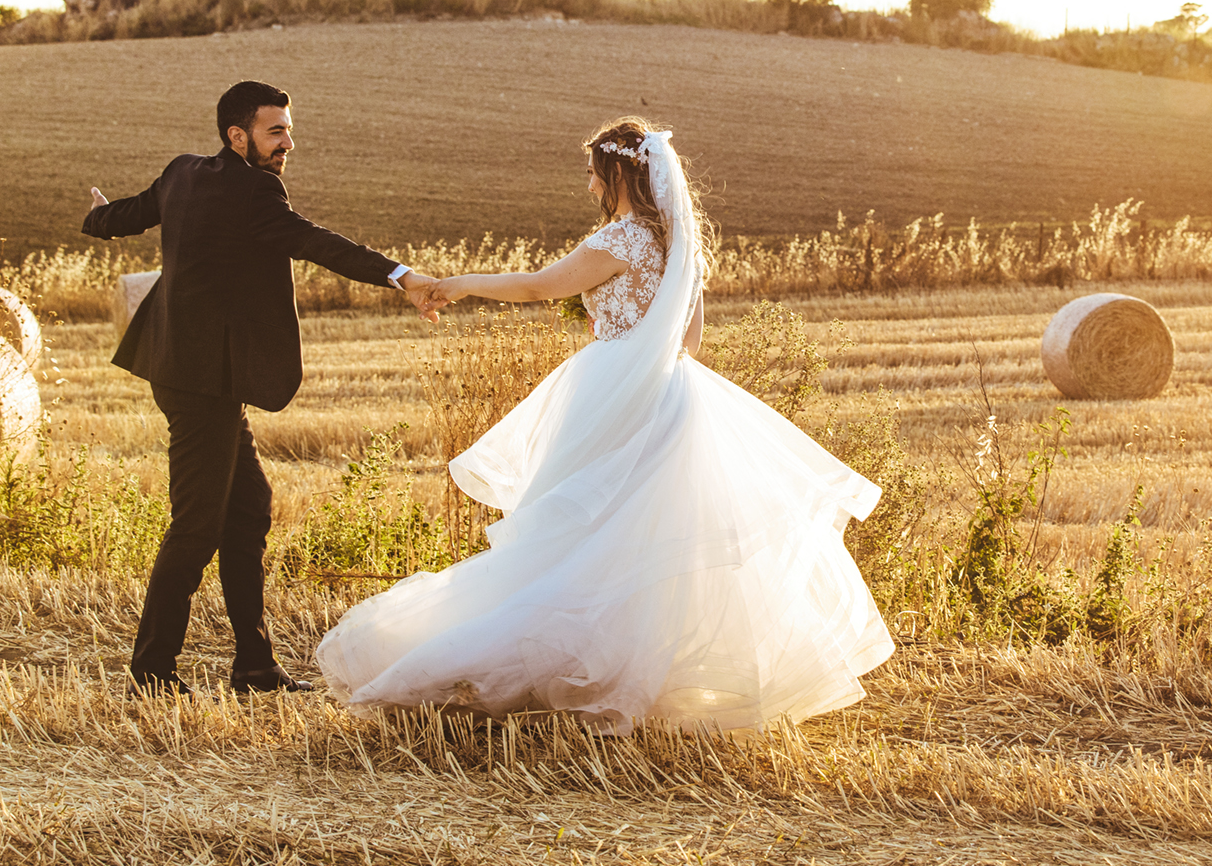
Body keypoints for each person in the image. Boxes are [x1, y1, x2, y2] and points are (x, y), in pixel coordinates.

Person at [316, 117, 894, 732]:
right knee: (642, 543)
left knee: (575, 532)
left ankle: (523, 664)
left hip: (612, 390)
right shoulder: (679, 246)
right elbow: (690, 340)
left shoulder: (622, 239)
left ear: (617, 171)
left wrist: (456, 285)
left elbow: (540, 286)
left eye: (593, 171)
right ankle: (640, 678)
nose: (589, 184)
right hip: (670, 395)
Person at [83, 80, 441, 697]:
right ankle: (152, 673)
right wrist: (401, 276)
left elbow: (126, 216)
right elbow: (317, 243)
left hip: (191, 374)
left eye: (288, 129)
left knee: (248, 512)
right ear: (237, 135)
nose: (288, 143)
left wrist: (96, 214)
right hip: (202, 383)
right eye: (276, 131)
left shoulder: (181, 174)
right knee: (196, 525)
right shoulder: (255, 191)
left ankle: (253, 666)